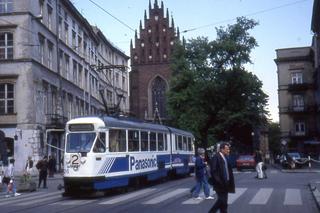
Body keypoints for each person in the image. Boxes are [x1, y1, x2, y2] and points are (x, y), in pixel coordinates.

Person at [209, 142, 235, 213]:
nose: (228, 150)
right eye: (227, 149)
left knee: (224, 203)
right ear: (222, 149)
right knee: (221, 200)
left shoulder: (225, 157)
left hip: (226, 183)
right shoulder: (216, 157)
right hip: (220, 184)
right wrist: (219, 181)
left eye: (228, 149)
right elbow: (213, 171)